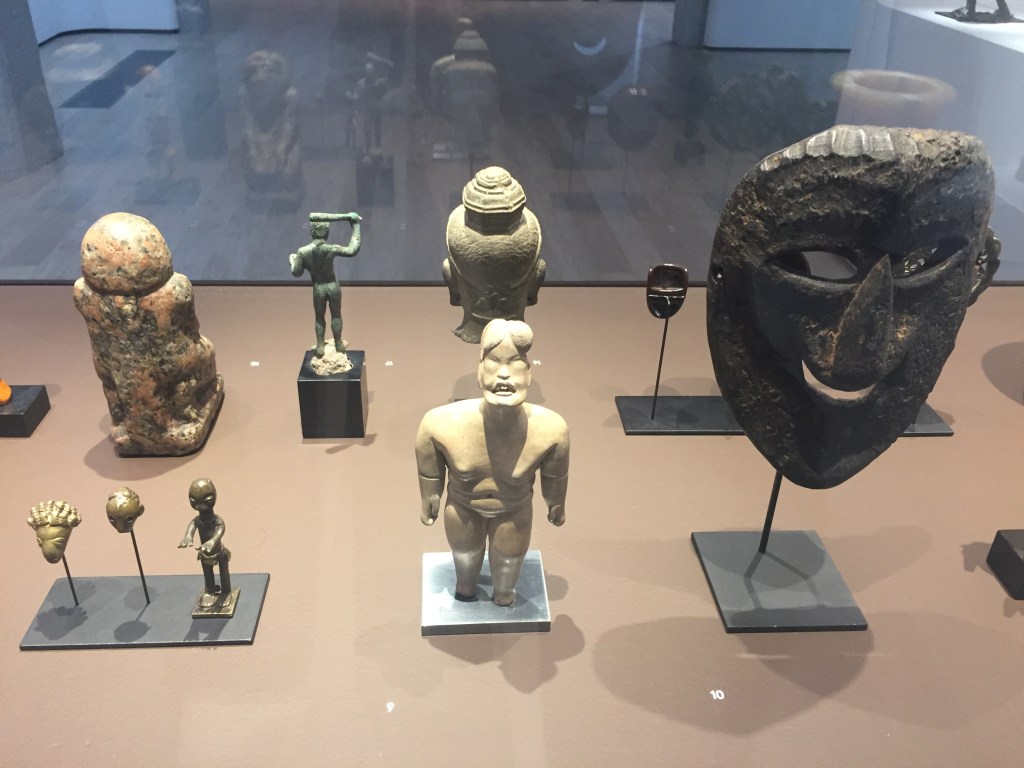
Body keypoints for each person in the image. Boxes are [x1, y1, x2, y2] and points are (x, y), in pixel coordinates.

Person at [416, 319, 569, 606]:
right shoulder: (440, 423)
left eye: (515, 363)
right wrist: (430, 495)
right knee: (465, 569)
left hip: (514, 509)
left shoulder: (551, 430)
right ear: (479, 371)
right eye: (494, 362)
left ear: (529, 374)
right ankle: (466, 589)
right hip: (462, 507)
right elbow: (428, 460)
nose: (504, 374)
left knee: (507, 577)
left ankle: (504, 595)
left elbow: (555, 476)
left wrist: (556, 502)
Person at [289, 212, 362, 357]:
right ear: (327, 232)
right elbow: (352, 250)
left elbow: (296, 273)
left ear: (311, 231)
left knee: (319, 317)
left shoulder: (303, 251)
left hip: (319, 288)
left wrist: (292, 260)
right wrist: (356, 226)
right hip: (333, 286)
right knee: (336, 315)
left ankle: (320, 346)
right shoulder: (331, 248)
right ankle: (338, 343)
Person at [178, 478, 233, 611]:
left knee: (223, 572)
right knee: (207, 573)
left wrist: (212, 541)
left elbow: (220, 530)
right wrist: (187, 537)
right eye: (194, 501)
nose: (200, 506)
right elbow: (191, 527)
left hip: (219, 552)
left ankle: (226, 591)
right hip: (204, 553)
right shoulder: (197, 520)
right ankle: (209, 591)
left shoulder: (217, 520)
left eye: (206, 500)